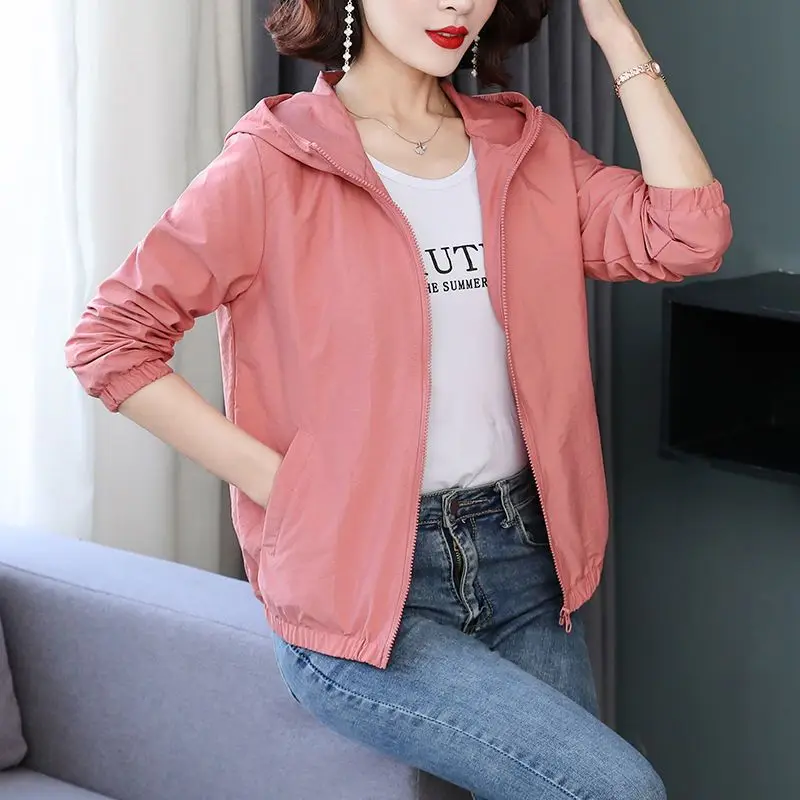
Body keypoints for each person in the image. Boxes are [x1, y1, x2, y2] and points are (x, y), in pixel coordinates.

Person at [65, 0, 732, 797]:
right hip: (364, 590)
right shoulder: (274, 162)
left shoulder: (524, 148)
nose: (458, 3)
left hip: (524, 564)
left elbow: (687, 235)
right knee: (618, 789)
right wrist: (285, 485)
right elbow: (110, 341)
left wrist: (615, 31)